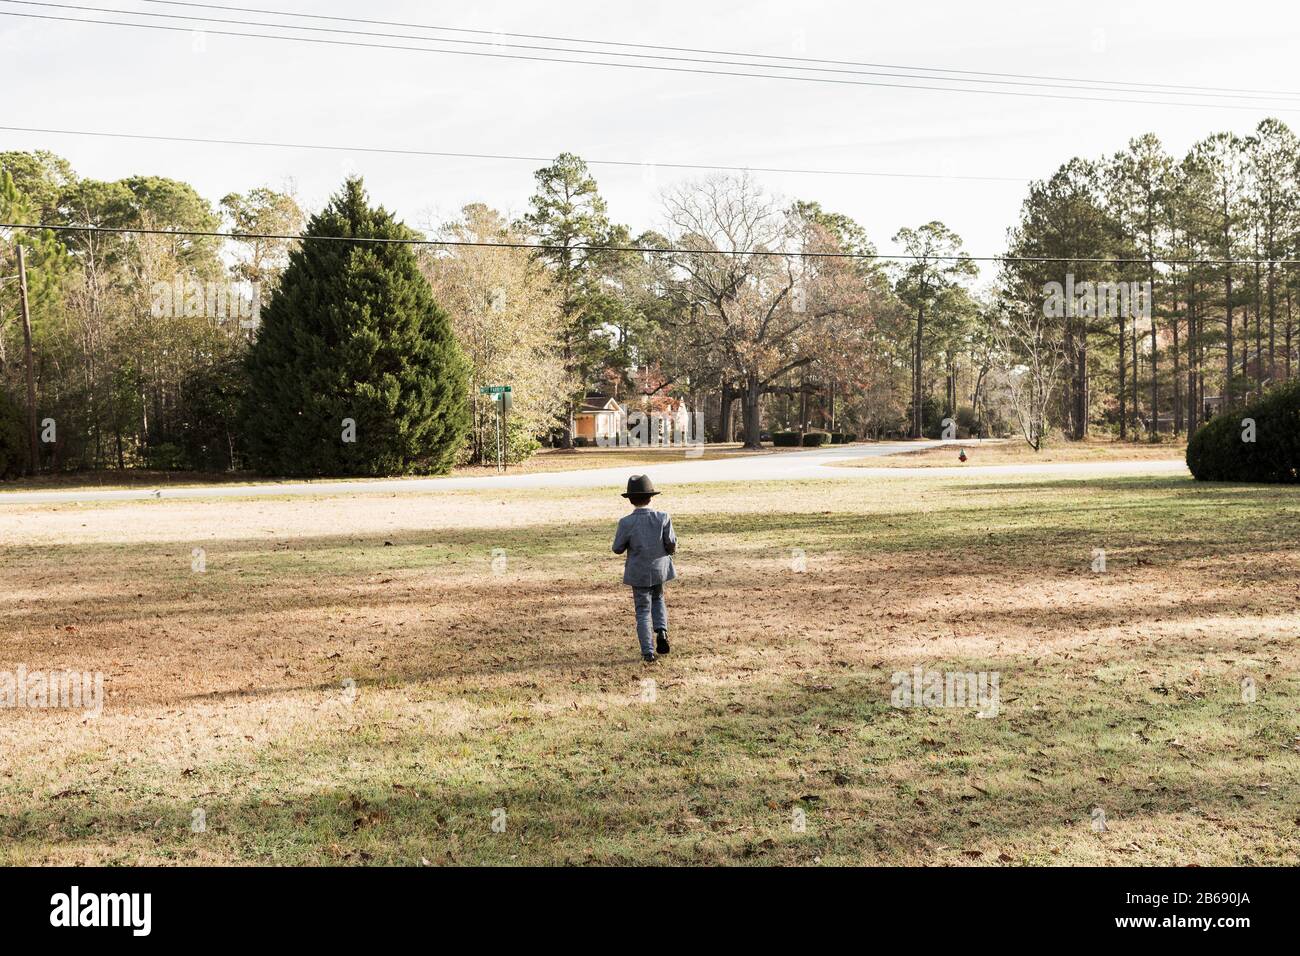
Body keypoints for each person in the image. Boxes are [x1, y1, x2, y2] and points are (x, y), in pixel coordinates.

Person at [611, 475, 677, 663]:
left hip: (638, 571)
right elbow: (671, 543)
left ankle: (648, 652)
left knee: (642, 610)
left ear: (630, 500)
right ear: (651, 497)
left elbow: (617, 548)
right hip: (659, 569)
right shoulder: (663, 517)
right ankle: (662, 631)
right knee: (659, 599)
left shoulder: (626, 522)